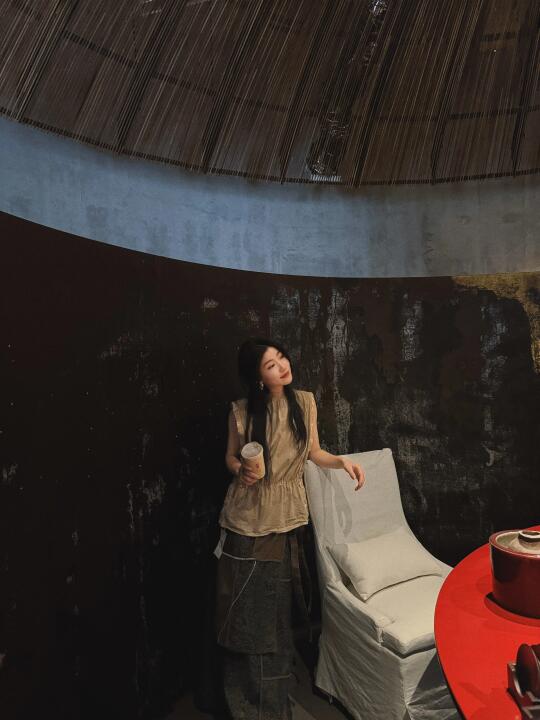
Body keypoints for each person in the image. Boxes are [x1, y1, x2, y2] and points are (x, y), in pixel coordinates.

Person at [214, 336, 365, 720]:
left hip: (286, 521)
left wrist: (342, 462)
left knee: (277, 617)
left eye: (281, 357)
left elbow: (313, 452)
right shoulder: (242, 411)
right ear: (258, 377)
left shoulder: (305, 402)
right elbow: (230, 457)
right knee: (248, 619)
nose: (282, 366)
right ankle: (251, 706)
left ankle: (273, 702)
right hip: (247, 522)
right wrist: (240, 469)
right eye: (271, 364)